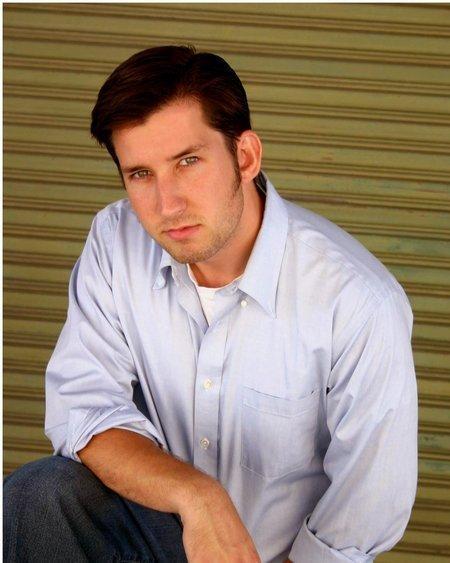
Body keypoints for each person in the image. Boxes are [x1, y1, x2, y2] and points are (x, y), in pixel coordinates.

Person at [4, 45, 418, 563]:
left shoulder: (358, 302)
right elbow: (83, 409)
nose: (167, 205)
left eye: (188, 162)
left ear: (245, 157)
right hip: (149, 539)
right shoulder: (115, 241)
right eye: (141, 174)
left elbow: (365, 508)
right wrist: (197, 497)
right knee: (39, 494)